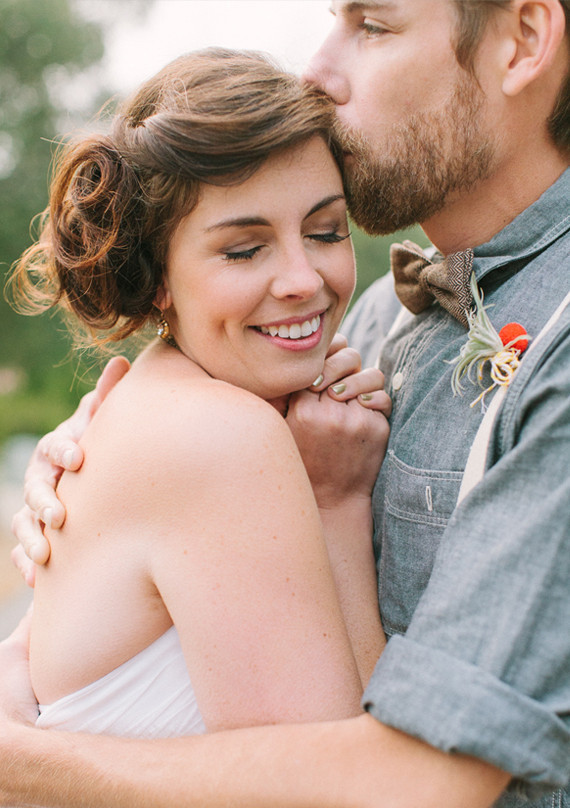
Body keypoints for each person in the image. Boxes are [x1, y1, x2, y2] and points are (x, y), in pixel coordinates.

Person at [1, 0, 569, 806]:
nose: (318, 70)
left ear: (524, 40)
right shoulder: (371, 329)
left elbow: (416, 781)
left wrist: (23, 764)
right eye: (244, 246)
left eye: (372, 25)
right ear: (158, 271)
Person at [4, 48, 390, 742]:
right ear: (157, 278)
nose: (304, 277)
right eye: (244, 250)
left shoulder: (154, 403)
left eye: (326, 231)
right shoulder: (218, 434)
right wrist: (337, 504)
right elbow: (332, 785)